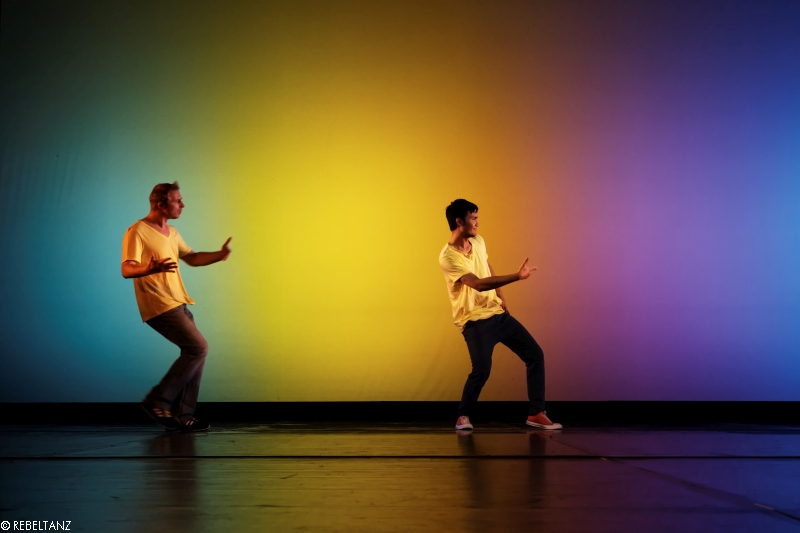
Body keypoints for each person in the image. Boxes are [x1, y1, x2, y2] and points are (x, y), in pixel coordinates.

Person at [438, 199, 561, 431]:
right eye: (473, 218)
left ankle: (536, 413)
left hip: (498, 314)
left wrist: (501, 296)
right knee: (482, 371)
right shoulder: (448, 257)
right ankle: (462, 415)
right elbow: (477, 284)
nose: (477, 223)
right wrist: (516, 276)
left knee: (535, 355)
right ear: (459, 221)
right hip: (474, 321)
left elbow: (487, 266)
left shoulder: (478, 241)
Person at [121, 182, 231, 432]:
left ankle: (184, 416)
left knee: (196, 354)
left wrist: (219, 254)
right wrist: (147, 268)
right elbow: (127, 268)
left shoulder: (172, 232)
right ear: (161, 204)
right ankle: (157, 401)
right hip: (159, 303)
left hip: (178, 302)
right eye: (177, 200)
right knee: (198, 348)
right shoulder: (137, 231)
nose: (182, 204)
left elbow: (192, 257)